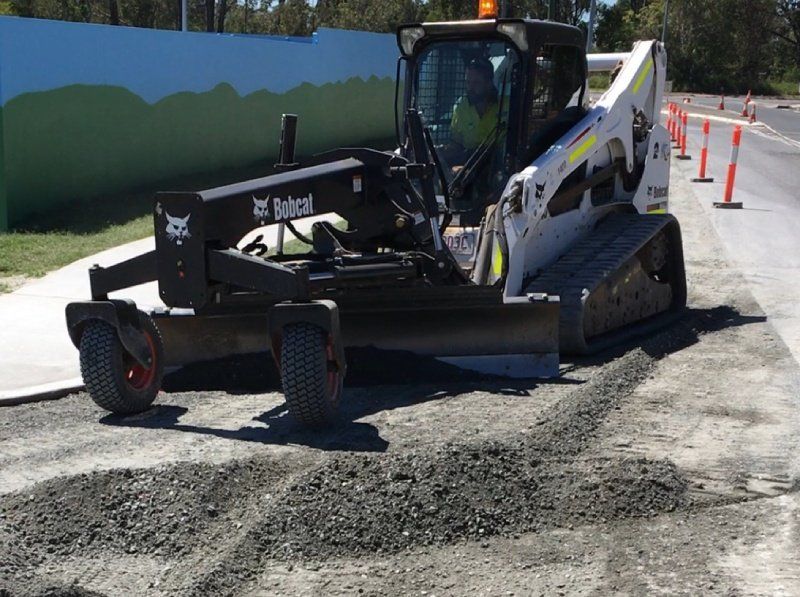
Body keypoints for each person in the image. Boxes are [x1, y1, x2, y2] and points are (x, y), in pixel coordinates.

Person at [445, 57, 499, 169]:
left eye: (476, 83)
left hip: (499, 170)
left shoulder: (506, 106)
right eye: (468, 82)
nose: (470, 88)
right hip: (468, 171)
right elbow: (456, 146)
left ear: (489, 83)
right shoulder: (460, 108)